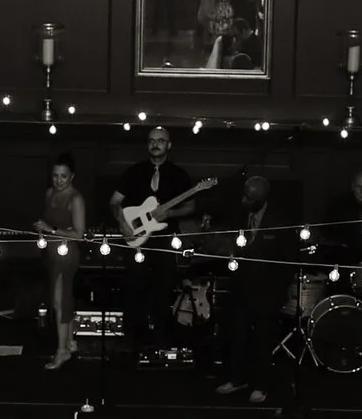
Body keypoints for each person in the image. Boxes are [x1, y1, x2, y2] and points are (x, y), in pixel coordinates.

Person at [108, 127, 211, 362]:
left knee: (163, 288)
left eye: (161, 141)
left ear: (169, 145)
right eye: (152, 140)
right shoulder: (134, 172)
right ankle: (131, 337)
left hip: (165, 240)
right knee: (133, 286)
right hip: (136, 241)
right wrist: (122, 222)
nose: (156, 144)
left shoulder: (179, 175)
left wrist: (171, 213)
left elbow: (191, 208)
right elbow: (115, 202)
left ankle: (161, 338)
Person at [214, 174, 295, 404]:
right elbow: (228, 242)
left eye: (249, 197)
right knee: (236, 336)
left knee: (262, 340)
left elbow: (288, 258)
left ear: (261, 198)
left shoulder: (281, 220)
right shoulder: (238, 215)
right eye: (244, 194)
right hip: (241, 287)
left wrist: (281, 290)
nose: (244, 200)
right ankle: (237, 378)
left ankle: (262, 385)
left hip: (268, 291)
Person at [33, 154, 88, 368]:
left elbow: (80, 233)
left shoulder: (76, 199)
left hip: (68, 254)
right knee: (63, 298)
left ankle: (62, 351)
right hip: (51, 253)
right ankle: (71, 342)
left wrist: (51, 230)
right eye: (55, 176)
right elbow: (48, 222)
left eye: (63, 176)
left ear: (72, 176)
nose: (58, 180)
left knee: (60, 302)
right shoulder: (49, 193)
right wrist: (42, 228)